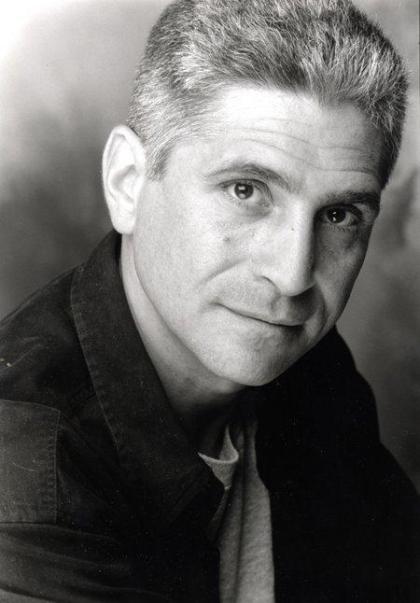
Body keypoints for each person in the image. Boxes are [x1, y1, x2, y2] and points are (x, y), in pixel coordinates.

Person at [0, 0, 418, 600]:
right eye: (246, 190)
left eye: (338, 215)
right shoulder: (25, 474)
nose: (292, 276)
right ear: (127, 183)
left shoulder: (311, 370)